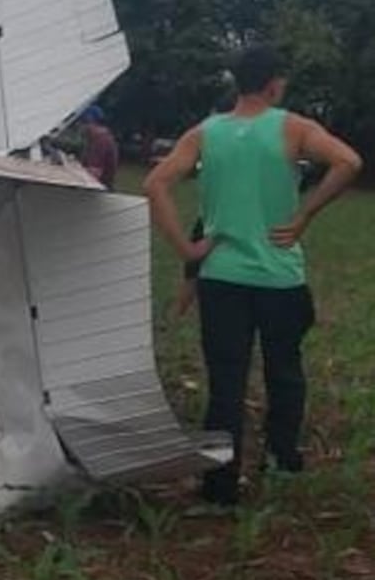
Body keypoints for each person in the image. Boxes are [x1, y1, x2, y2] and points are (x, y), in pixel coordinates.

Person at [145, 46, 362, 505]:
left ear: (237, 83)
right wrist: (303, 215)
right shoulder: (293, 127)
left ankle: (219, 484)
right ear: (274, 84)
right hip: (279, 277)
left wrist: (187, 249)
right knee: (285, 373)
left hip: (221, 277)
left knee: (225, 382)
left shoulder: (205, 132)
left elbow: (155, 183)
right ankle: (281, 463)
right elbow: (349, 162)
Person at [78, 104, 119, 188]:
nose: (79, 127)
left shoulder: (100, 140)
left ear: (89, 122)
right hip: (96, 185)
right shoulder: (94, 138)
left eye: (81, 123)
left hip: (100, 188)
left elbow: (94, 173)